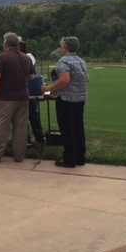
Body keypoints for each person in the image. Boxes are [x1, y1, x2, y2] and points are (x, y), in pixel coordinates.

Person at [0, 32, 35, 163]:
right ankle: (19, 155)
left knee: (1, 126)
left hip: (6, 97)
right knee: (21, 127)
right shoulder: (26, 58)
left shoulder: (2, 57)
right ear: (18, 45)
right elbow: (32, 76)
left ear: (5, 44)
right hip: (23, 96)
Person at [41, 36, 89, 168]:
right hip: (80, 98)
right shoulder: (81, 61)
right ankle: (80, 157)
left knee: (67, 129)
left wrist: (48, 88)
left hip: (66, 99)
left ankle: (69, 159)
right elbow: (87, 78)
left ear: (65, 47)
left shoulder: (63, 61)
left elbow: (64, 80)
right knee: (78, 127)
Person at [18, 37, 45, 147]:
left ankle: (39, 138)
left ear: (20, 45)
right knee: (20, 117)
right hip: (20, 87)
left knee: (33, 115)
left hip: (28, 88)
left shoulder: (29, 56)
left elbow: (27, 70)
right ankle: (25, 139)